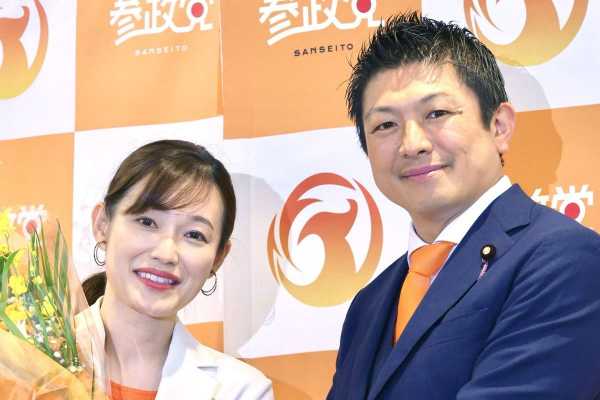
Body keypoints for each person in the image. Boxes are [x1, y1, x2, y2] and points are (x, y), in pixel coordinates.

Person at [327, 11, 600, 399]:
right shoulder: (369, 304)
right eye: (385, 125)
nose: (412, 144)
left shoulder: (564, 258)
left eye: (436, 114)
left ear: (499, 126)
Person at [80, 140, 273, 400]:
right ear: (102, 224)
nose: (166, 253)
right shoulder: (33, 356)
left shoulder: (240, 391)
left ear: (218, 258)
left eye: (194, 235)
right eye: (147, 222)